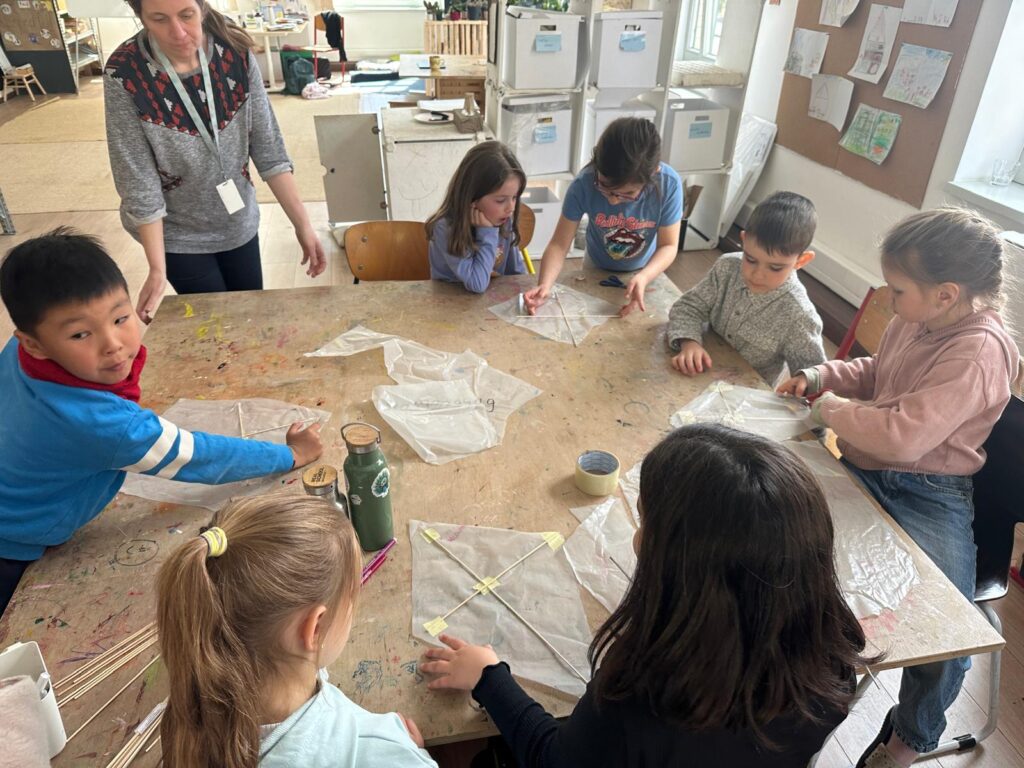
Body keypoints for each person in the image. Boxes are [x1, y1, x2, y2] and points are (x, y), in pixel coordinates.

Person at [420, 424, 874, 767]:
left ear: (688, 573)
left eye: (644, 523)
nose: (637, 539)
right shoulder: (834, 664)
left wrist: (489, 679)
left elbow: (553, 760)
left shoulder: (640, 700)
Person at [777, 207, 1021, 768]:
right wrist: (821, 376)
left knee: (944, 637)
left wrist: (831, 409)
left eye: (898, 290)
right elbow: (878, 374)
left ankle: (909, 739)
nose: (889, 301)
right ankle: (799, 688)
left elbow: (902, 436)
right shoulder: (918, 318)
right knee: (784, 546)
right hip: (868, 467)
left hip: (929, 490)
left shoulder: (980, 351)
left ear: (946, 294)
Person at [0, 229, 323, 614]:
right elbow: (199, 456)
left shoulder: (19, 352)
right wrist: (289, 455)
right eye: (81, 334)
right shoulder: (102, 425)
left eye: (120, 318)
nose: (113, 343)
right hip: (12, 549)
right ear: (34, 341)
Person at [157, 494, 436, 768]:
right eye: (351, 596)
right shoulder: (380, 750)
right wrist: (411, 755)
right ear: (314, 629)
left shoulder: (193, 712)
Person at [104, 0, 326, 321]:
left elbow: (268, 148)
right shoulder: (124, 73)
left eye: (186, 15)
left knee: (250, 316)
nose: (178, 32)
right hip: (177, 233)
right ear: (141, 17)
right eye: (159, 19)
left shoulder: (234, 52)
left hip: (237, 219)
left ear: (202, 8)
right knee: (218, 327)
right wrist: (156, 268)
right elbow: (137, 179)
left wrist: (303, 225)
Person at [522, 117, 682, 316]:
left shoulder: (669, 184)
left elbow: (668, 245)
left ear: (653, 174)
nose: (613, 201)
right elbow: (559, 245)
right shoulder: (584, 183)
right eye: (604, 187)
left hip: (648, 270)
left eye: (628, 194)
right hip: (595, 267)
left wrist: (644, 277)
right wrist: (545, 285)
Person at [667, 191, 825, 384]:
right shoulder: (727, 268)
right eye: (750, 259)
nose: (757, 275)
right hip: (697, 373)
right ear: (743, 240)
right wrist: (688, 342)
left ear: (801, 260)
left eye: (775, 268)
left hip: (743, 397)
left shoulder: (799, 315)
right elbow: (688, 307)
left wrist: (805, 382)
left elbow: (815, 373)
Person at [426, 141, 527, 294]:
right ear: (472, 196)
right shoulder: (446, 228)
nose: (511, 208)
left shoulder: (504, 221)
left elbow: (517, 274)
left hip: (491, 304)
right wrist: (486, 232)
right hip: (452, 306)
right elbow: (477, 283)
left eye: (514, 197)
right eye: (500, 200)